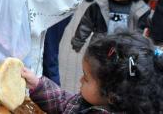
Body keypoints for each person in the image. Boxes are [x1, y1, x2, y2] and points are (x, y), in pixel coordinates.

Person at [23, 32, 163, 114]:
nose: (80, 80)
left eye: (86, 78)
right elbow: (65, 104)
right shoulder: (90, 100)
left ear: (112, 97)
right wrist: (38, 85)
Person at [71, 0, 150, 52]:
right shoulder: (99, 5)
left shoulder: (140, 10)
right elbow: (86, 25)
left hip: (125, 50)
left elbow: (142, 32)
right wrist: (78, 41)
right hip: (99, 47)